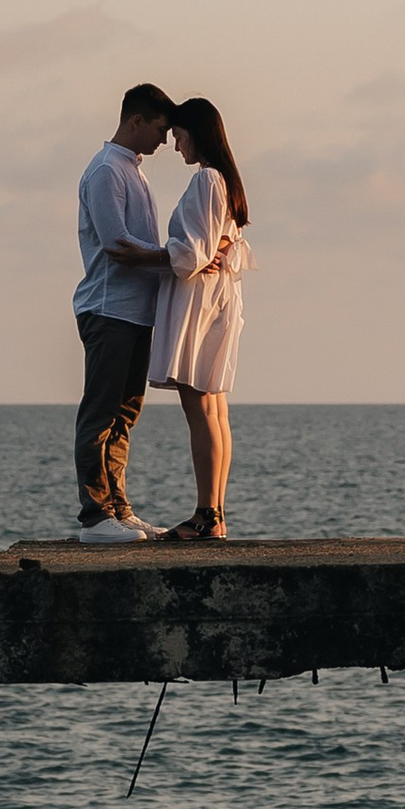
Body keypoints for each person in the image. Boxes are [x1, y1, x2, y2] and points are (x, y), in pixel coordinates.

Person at [69, 83, 176, 540]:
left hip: (135, 313)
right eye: (160, 128)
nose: (165, 141)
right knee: (100, 411)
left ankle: (118, 508)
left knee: (124, 414)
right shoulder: (107, 172)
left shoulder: (134, 171)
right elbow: (116, 246)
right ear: (136, 120)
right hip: (109, 309)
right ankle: (95, 516)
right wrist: (176, 258)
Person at [148, 96, 251, 543]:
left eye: (178, 137)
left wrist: (147, 253)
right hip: (217, 300)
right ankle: (215, 513)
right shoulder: (225, 182)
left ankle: (207, 513)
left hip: (200, 304)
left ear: (196, 132)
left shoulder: (208, 179)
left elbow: (193, 255)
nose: (176, 147)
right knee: (213, 408)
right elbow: (229, 248)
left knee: (201, 408)